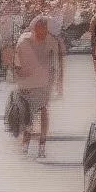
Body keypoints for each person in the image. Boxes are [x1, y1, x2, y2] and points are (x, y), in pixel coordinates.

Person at [13, 16, 61, 157]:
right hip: (27, 82)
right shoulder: (24, 41)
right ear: (33, 29)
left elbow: (55, 62)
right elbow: (17, 63)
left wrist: (55, 80)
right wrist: (19, 73)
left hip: (43, 81)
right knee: (28, 113)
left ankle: (42, 144)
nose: (43, 32)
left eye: (45, 29)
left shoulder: (51, 41)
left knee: (43, 109)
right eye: (40, 29)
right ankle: (26, 142)